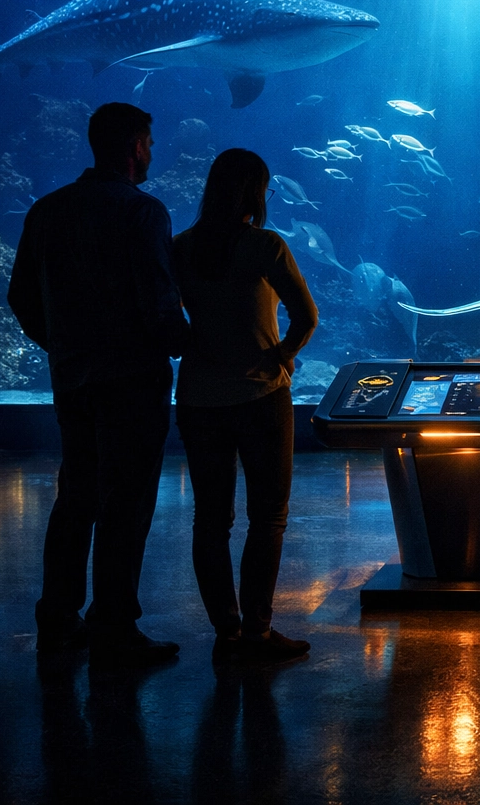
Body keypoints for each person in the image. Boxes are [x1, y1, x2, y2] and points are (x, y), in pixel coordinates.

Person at [8, 102, 188, 665]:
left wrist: (64, 346)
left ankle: (58, 617)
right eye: (150, 142)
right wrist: (195, 344)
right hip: (133, 381)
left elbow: (20, 297)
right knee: (126, 503)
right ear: (136, 146)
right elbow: (160, 303)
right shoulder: (145, 213)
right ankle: (114, 624)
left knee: (77, 496)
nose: (153, 152)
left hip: (74, 379)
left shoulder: (47, 210)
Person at [172, 149, 318, 664]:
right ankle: (256, 631)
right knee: (268, 517)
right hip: (261, 395)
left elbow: (168, 325)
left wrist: (201, 342)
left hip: (197, 399)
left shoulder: (179, 248)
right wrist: (281, 355)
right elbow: (307, 316)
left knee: (210, 521)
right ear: (257, 193)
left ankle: (225, 631)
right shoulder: (265, 245)